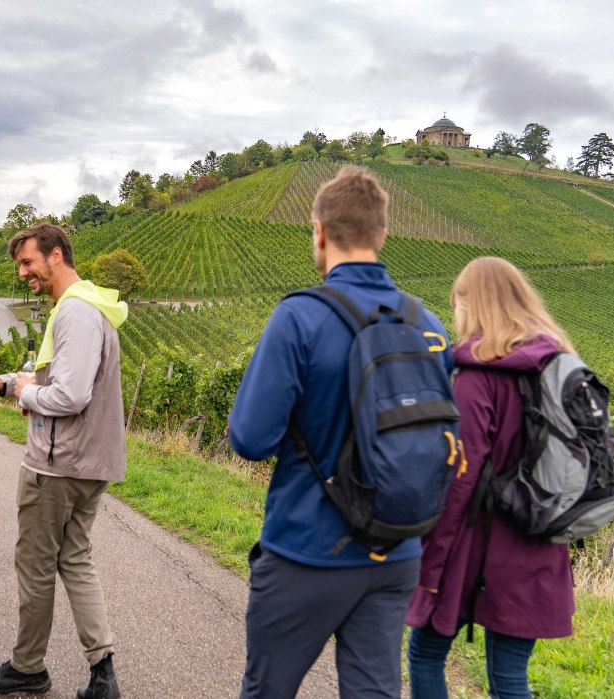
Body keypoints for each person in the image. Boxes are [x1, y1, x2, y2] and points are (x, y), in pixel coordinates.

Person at [228, 166, 454, 698]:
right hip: (396, 553)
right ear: (382, 234)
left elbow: (250, 439)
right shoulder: (429, 325)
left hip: (308, 549)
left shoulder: (299, 317)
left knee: (268, 690)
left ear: (320, 233)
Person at [0, 222, 127, 699]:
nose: (22, 272)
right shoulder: (91, 306)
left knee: (35, 563)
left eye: (28, 262)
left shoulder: (73, 314)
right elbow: (60, 381)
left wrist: (20, 389)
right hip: (88, 461)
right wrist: (8, 383)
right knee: (74, 559)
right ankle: (103, 673)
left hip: (58, 464)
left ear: (56, 255)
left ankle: (28, 667)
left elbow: (71, 395)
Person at [406, 257, 577, 699]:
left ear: (473, 304)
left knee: (425, 653)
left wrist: (431, 563)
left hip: (475, 548)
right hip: (541, 543)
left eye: (458, 303)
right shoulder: (560, 366)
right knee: (508, 676)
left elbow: (457, 484)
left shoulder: (478, 378)